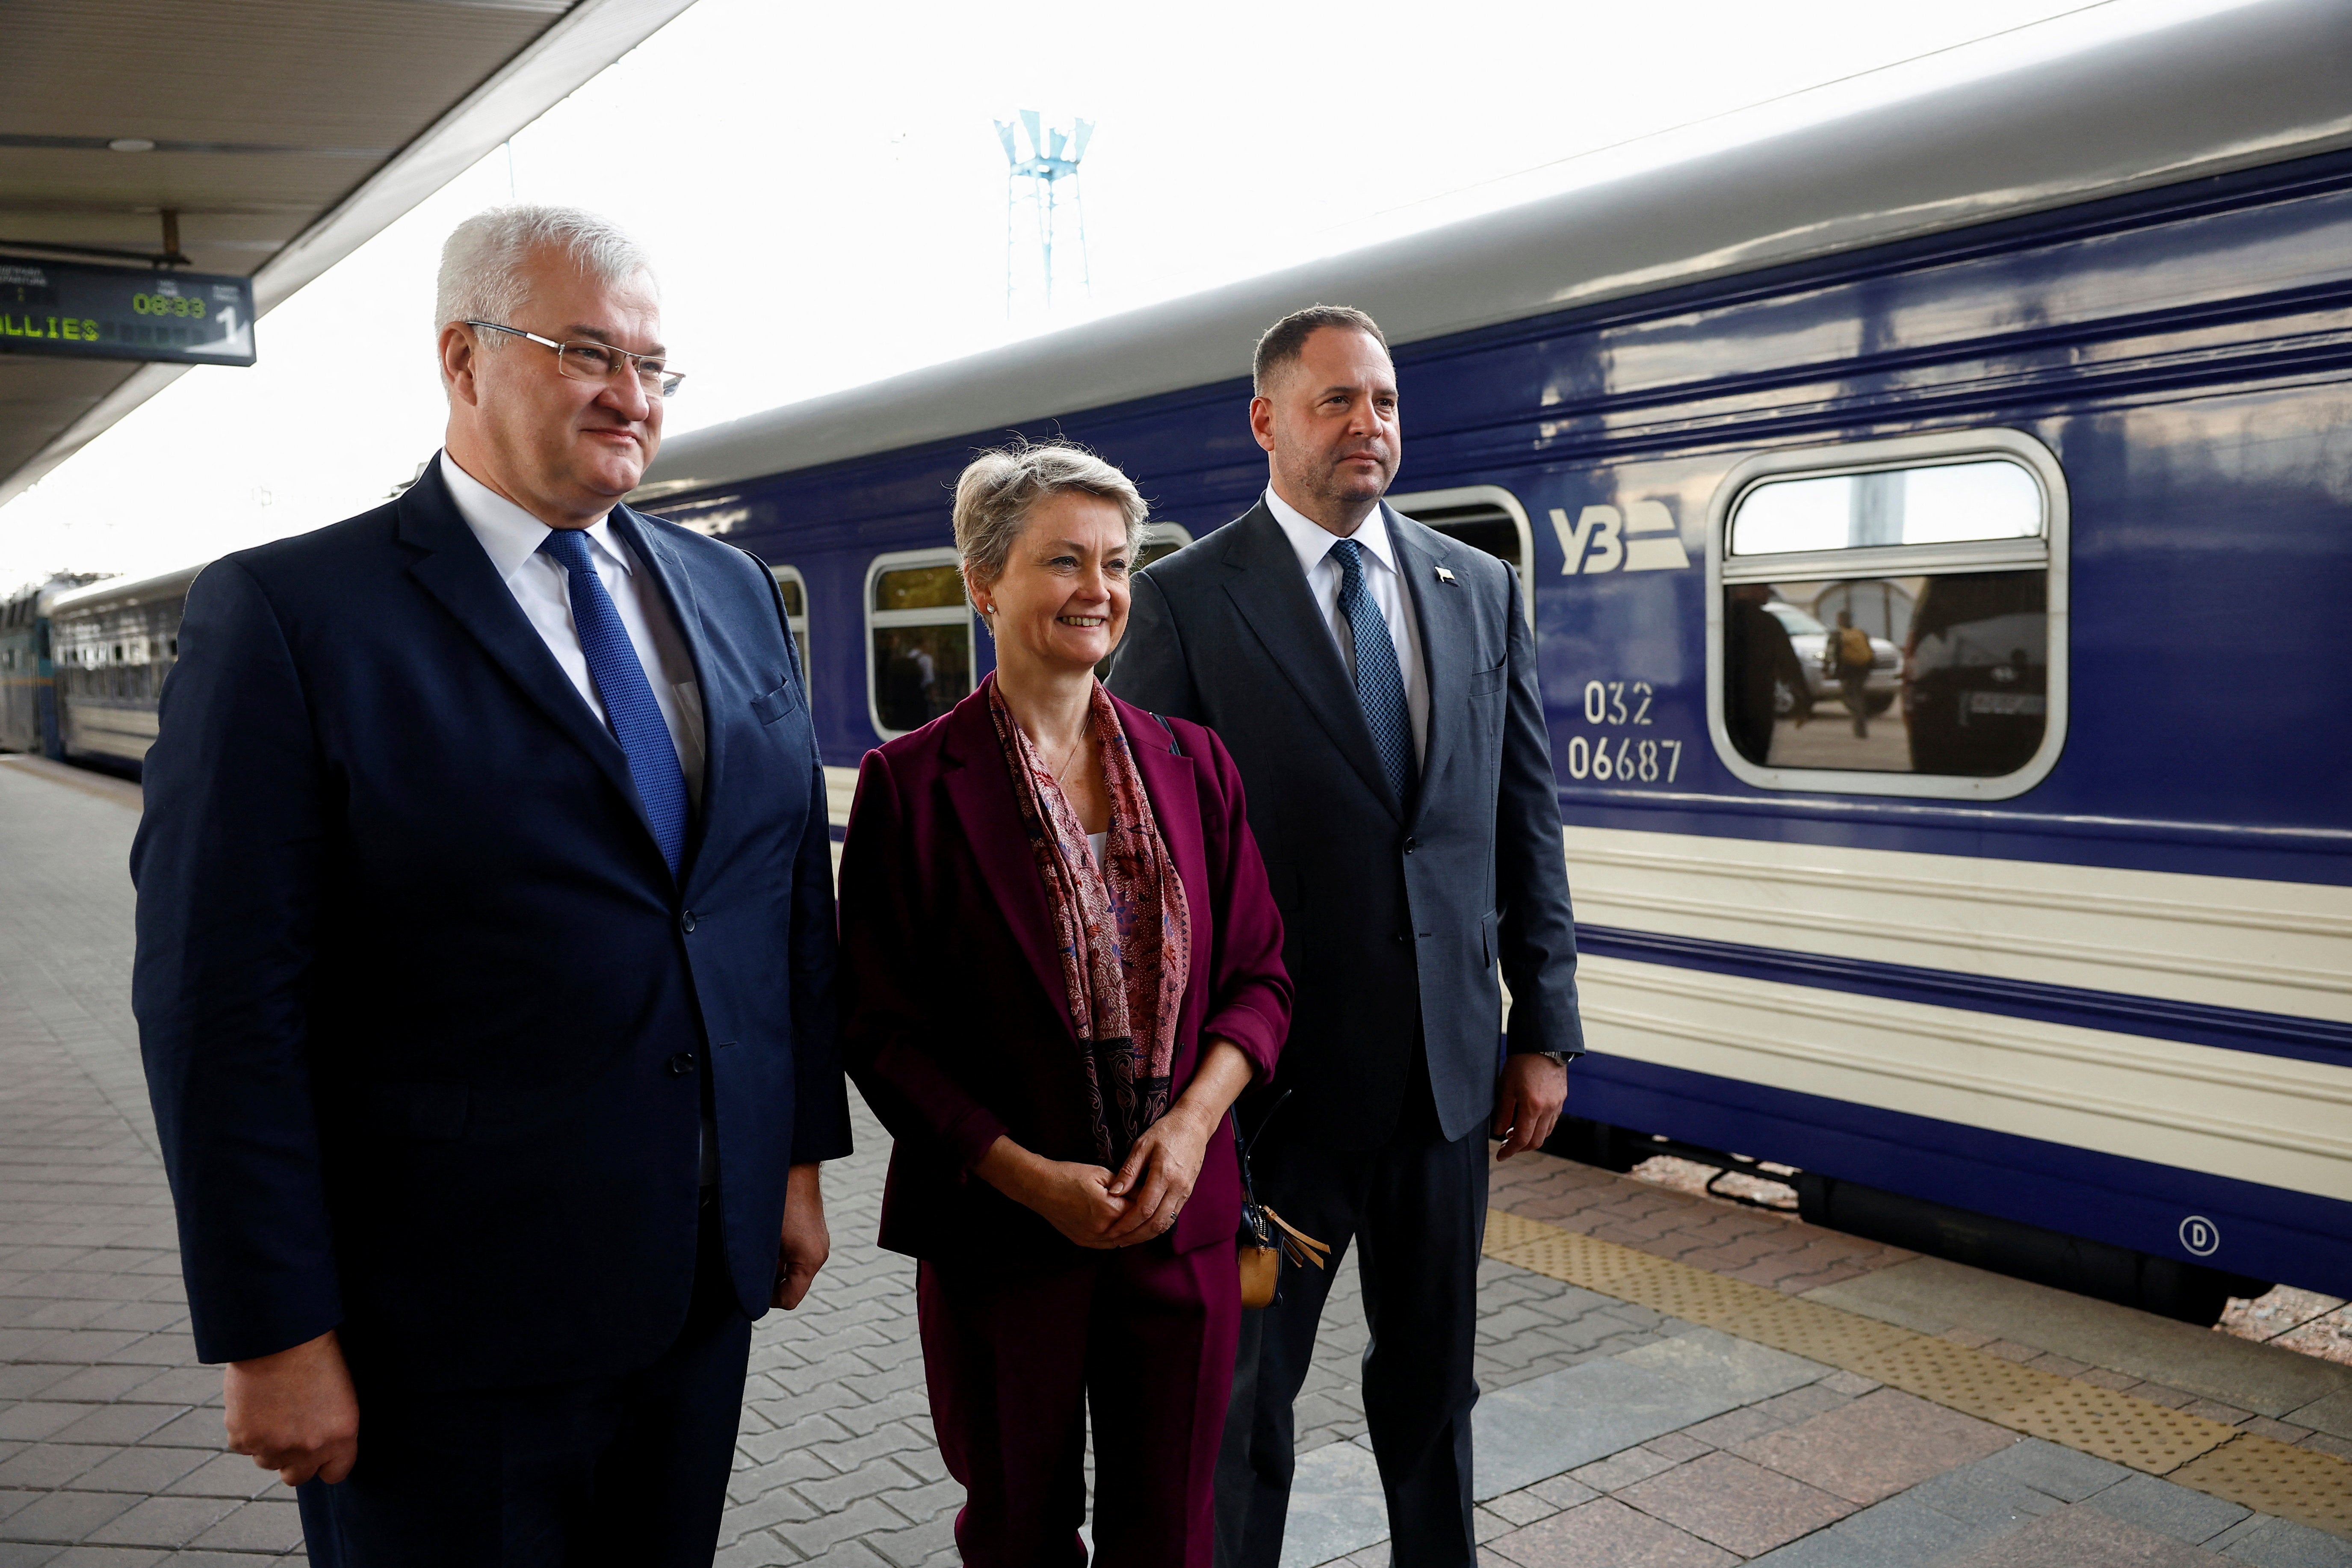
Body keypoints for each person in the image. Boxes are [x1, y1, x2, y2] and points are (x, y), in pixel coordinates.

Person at [130, 206, 850, 1567]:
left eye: (653, 364)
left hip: (697, 1289)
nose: (631, 396)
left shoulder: (730, 589)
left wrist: (795, 1157)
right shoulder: (292, 617)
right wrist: (274, 1328)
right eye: (587, 352)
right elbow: (218, 1004)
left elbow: (774, 902)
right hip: (440, 1331)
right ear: (462, 358)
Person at [1109, 306, 1585, 1568]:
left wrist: (1545, 1031)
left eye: (1381, 400)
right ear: (1267, 421)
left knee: (1434, 1396)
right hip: (1276, 1112)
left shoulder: (1476, 588)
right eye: (1335, 401)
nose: (1367, 424)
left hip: (1442, 1096)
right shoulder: (1184, 603)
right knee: (1243, 1404)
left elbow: (1520, 821)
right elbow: (1145, 873)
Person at [838, 441, 1292, 1568]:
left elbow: (1262, 979)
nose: (1099, 589)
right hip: (1002, 1232)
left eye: (1117, 562)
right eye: (1063, 561)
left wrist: (1189, 1131)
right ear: (981, 582)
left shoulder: (1196, 764)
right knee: (1016, 1528)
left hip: (1176, 1219)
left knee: (1172, 1533)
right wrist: (1024, 1174)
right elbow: (880, 1031)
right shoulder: (909, 786)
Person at [1723, 583, 1810, 762]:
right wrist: (1803, 702)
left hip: (1725, 704)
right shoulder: (1766, 622)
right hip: (1758, 704)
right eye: (1763, 589)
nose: (1768, 595)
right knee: (1756, 755)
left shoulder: (1719, 621)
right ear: (1744, 590)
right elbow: (1789, 665)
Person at [1829, 607, 1875, 737]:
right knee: (1858, 694)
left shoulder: (1837, 634)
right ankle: (1861, 720)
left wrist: (1828, 669)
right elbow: (1871, 651)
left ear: (1841, 620)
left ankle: (1860, 720)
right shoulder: (1861, 633)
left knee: (1850, 697)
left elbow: (1832, 653)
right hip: (1863, 669)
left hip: (1848, 670)